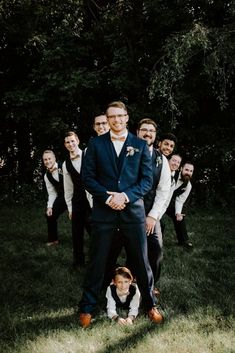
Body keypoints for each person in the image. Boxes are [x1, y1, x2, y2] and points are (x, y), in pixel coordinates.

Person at [79, 101, 163, 328]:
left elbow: (146, 181)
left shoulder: (140, 144)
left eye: (120, 116)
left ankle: (150, 305)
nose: (116, 120)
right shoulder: (95, 144)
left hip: (133, 212)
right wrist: (107, 198)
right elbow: (87, 178)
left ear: (127, 118)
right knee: (97, 260)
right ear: (107, 120)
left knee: (141, 261)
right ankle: (87, 307)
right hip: (104, 212)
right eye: (112, 117)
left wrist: (124, 196)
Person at [137, 119, 171, 290]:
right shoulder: (128, 153)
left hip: (151, 211)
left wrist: (152, 216)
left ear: (155, 135)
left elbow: (164, 191)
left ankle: (151, 284)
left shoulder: (161, 160)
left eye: (151, 130)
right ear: (137, 132)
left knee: (156, 248)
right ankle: (126, 282)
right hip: (130, 211)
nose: (147, 133)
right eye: (144, 129)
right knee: (130, 248)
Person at [62, 131, 91, 268]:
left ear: (78, 140)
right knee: (76, 233)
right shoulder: (65, 164)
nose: (70, 144)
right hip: (77, 202)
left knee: (96, 231)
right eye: (67, 142)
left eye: (72, 141)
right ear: (65, 145)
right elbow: (68, 189)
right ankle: (78, 262)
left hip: (93, 200)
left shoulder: (89, 155)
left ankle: (103, 260)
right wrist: (70, 208)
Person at [164, 161, 194, 249]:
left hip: (169, 202)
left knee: (180, 216)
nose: (188, 173)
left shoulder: (188, 186)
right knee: (160, 222)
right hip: (157, 199)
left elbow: (180, 201)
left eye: (191, 171)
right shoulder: (172, 175)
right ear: (181, 169)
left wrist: (177, 213)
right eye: (186, 170)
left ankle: (183, 241)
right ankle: (156, 241)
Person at [42, 150, 67, 246]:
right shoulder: (46, 176)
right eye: (45, 160)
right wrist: (49, 207)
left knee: (84, 217)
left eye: (49, 159)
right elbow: (52, 193)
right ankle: (53, 240)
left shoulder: (64, 166)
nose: (47, 161)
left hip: (75, 194)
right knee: (50, 215)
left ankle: (97, 240)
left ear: (54, 158)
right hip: (62, 197)